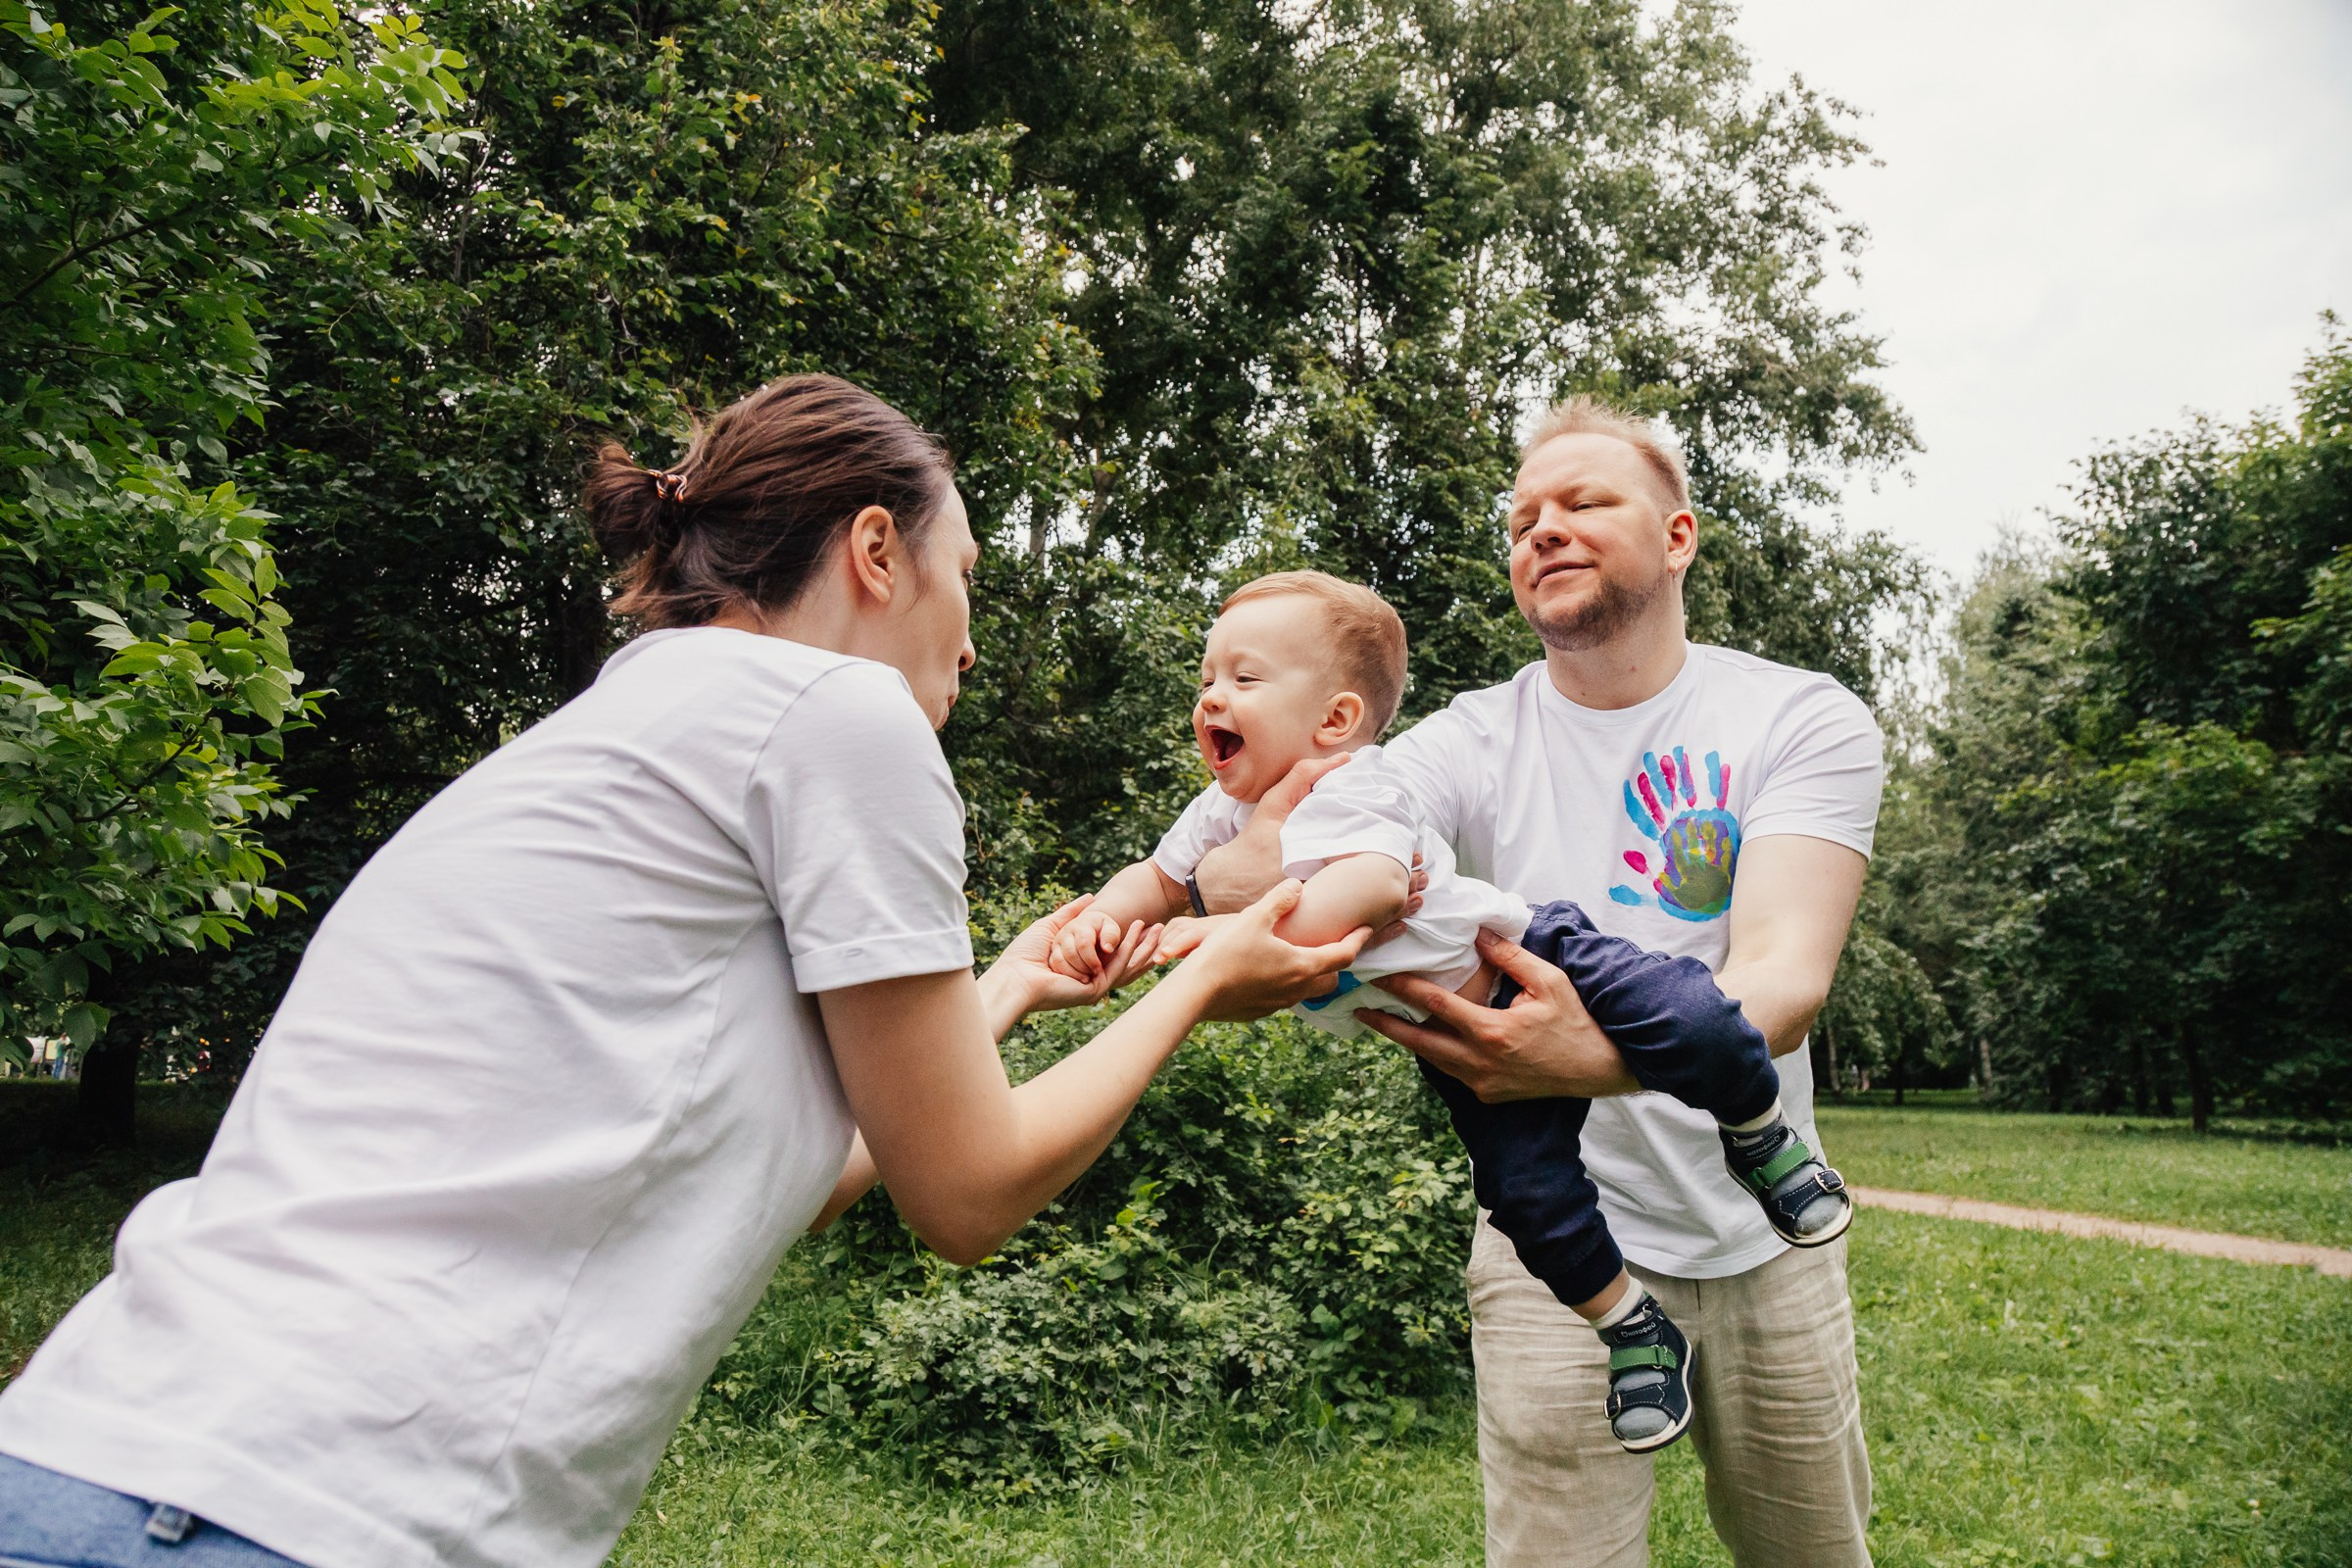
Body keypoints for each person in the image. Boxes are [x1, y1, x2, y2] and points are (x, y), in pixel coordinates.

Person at [0, 375, 1363, 1568]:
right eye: (969, 585)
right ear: (876, 550)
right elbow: (969, 1193)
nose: (968, 639)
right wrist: (1204, 979)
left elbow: (776, 1185)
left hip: (99, 1459)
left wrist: (1000, 987)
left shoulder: (630, 727)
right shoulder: (839, 714)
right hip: (296, 1513)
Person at [1189, 400, 1885, 1566]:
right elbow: (1265, 857)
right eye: (1522, 519)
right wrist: (1209, 882)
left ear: (1677, 537)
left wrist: (1578, 1061)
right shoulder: (1466, 740)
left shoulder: (1799, 717)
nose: (1543, 530)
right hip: (1557, 1256)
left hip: (1770, 1244)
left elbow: (1782, 979)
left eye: (1584, 503)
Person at [1057, 568, 1851, 1455]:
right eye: (1207, 678)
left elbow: (1365, 894)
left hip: (1534, 955)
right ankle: (1633, 1327)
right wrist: (1104, 918)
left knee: (1693, 1014)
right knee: (1526, 1198)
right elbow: (1160, 883)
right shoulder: (1218, 816)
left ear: (1334, 722)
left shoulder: (1358, 786)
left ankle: (1757, 1134)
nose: (1212, 695)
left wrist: (1214, 940)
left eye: (1243, 680)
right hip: (1460, 1044)